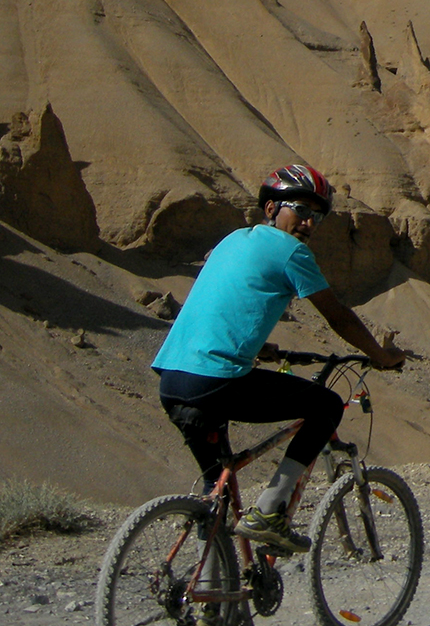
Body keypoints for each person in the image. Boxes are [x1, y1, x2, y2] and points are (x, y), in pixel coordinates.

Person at [151, 164, 405, 554]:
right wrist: (380, 356)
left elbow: (226, 303)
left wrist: (261, 350)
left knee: (216, 489)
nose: (309, 223)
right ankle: (271, 511)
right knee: (325, 405)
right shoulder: (291, 252)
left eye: (317, 216)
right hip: (215, 380)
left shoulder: (233, 240)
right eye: (300, 210)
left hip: (173, 380)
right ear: (270, 208)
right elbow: (336, 314)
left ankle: (210, 599)